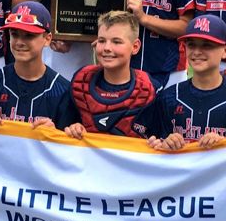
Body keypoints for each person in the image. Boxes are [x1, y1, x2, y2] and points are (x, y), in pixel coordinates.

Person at [145, 15, 226, 152]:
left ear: (225, 51)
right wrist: (163, 143)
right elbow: (150, 145)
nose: (197, 52)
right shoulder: (168, 97)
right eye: (191, 45)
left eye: (207, 45)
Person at [0, 1, 78, 129]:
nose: (19, 42)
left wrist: (55, 134)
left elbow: (66, 146)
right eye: (14, 34)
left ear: (47, 39)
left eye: (29, 35)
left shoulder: (63, 91)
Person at [64, 10, 159, 140]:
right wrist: (73, 128)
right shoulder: (80, 82)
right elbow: (62, 127)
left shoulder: (150, 89)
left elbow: (162, 139)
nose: (107, 48)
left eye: (116, 42)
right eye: (102, 41)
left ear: (135, 47)